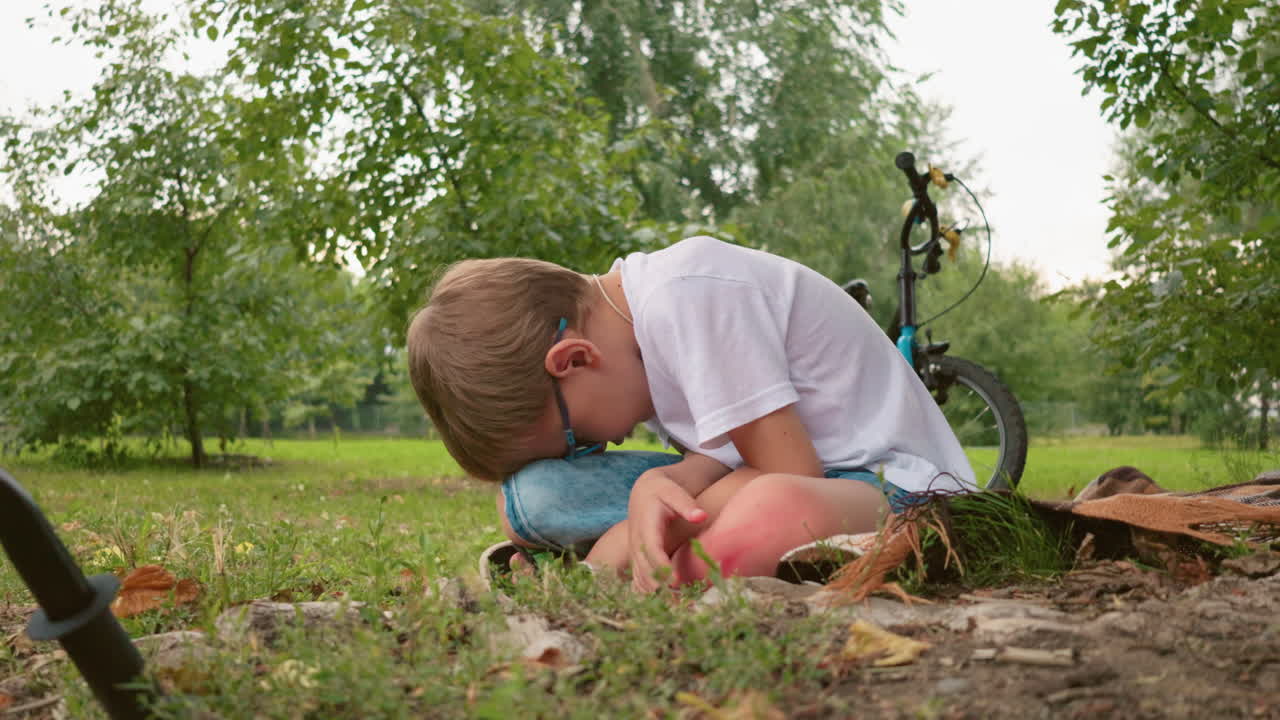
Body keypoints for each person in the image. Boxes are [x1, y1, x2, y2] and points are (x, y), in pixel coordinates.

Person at [407, 236, 976, 591]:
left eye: (577, 441)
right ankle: (650, 561)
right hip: (771, 475)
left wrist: (639, 523)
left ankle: (632, 568)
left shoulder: (690, 296)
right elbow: (722, 454)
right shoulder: (630, 347)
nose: (599, 451)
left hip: (889, 484)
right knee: (533, 500)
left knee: (769, 511)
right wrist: (669, 481)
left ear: (574, 359)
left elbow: (790, 471)